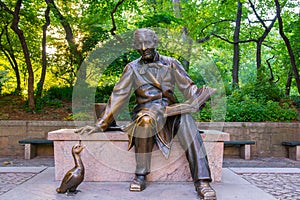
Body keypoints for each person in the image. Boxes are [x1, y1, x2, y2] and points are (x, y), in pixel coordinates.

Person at [76, 28, 216, 200]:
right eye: (139, 44)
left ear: (155, 42)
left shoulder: (172, 63)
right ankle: (140, 175)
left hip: (170, 113)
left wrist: (199, 97)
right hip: (146, 112)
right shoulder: (132, 68)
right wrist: (100, 124)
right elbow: (118, 96)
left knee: (186, 120)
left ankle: (202, 181)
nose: (143, 48)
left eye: (147, 43)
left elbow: (189, 88)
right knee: (146, 121)